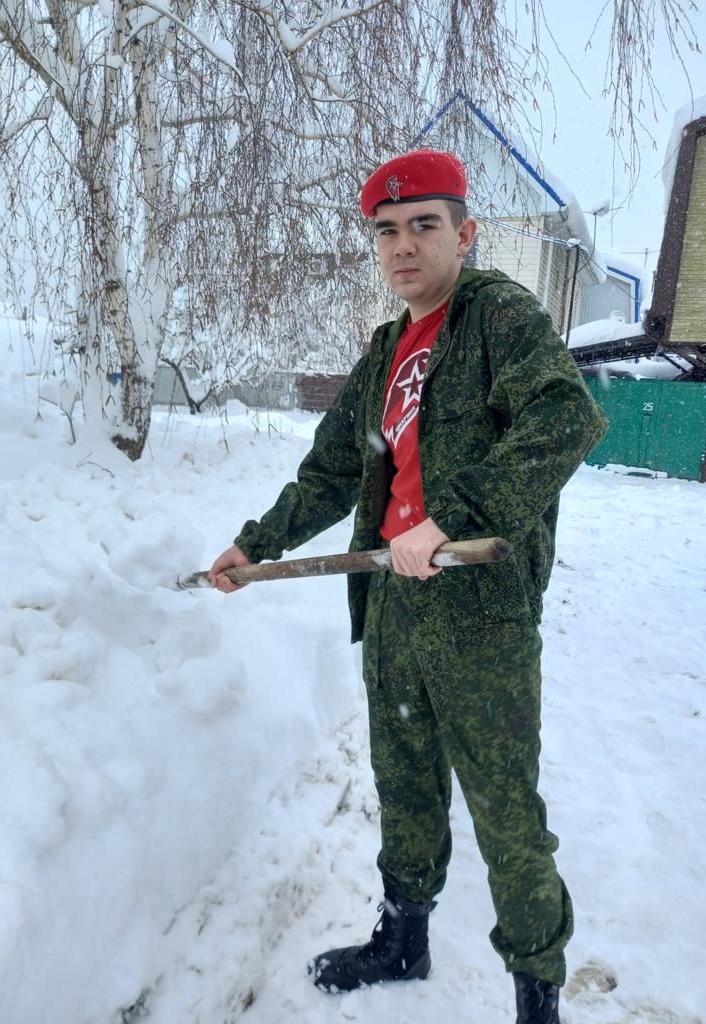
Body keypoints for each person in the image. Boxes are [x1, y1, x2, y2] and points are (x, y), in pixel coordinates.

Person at [208, 149, 608, 1023]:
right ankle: (403, 937)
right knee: (405, 783)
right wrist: (255, 544)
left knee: (505, 809)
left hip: (480, 614)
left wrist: (456, 515)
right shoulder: (386, 349)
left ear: (464, 234)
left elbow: (566, 416)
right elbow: (331, 470)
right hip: (391, 601)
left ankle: (537, 990)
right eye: (386, 230)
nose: (403, 245)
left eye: (424, 225)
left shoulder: (496, 315)